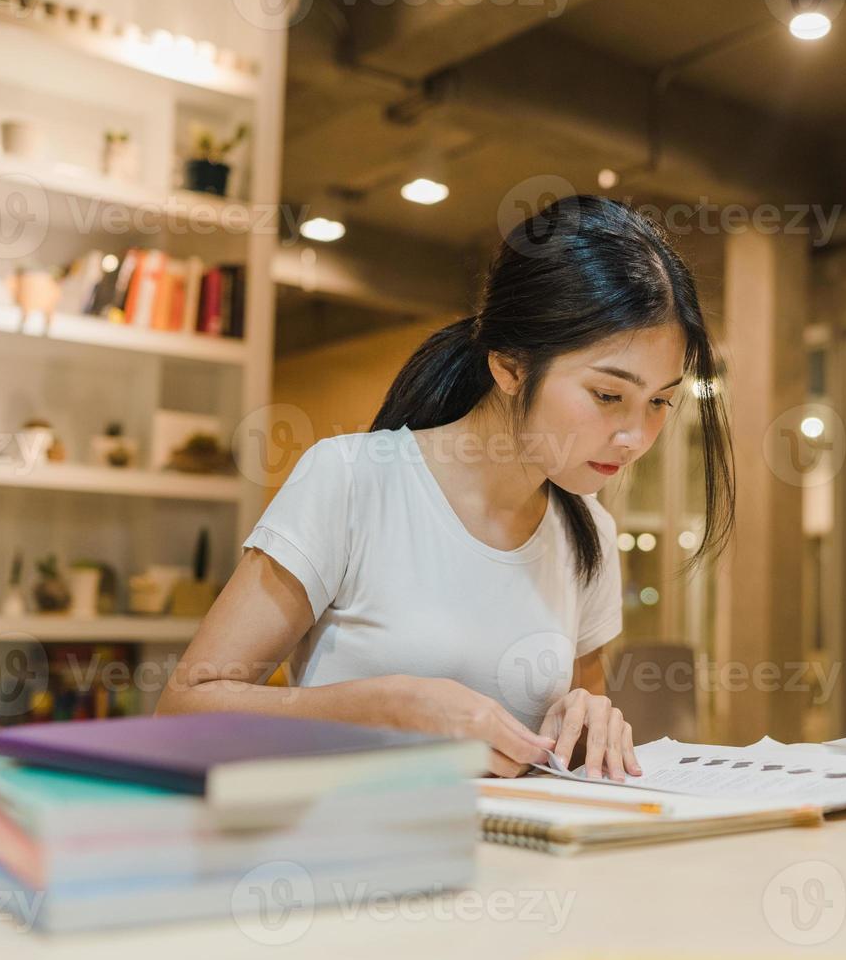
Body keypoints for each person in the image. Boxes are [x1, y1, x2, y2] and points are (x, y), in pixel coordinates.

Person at [157, 195, 734, 781]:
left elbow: (571, 759)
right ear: (509, 366)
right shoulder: (352, 480)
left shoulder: (590, 533)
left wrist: (592, 725)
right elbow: (181, 714)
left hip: (515, 866)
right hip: (346, 857)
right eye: (608, 396)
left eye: (661, 401)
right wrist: (380, 708)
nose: (636, 436)